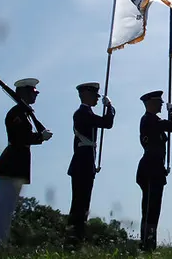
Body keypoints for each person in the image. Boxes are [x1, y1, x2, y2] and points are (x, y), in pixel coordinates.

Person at [0, 78, 53, 247]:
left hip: (18, 164)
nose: (35, 95)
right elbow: (20, 137)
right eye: (32, 92)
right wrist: (40, 137)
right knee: (3, 208)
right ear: (23, 92)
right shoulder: (17, 113)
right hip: (12, 164)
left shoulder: (24, 113)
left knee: (8, 209)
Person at [66, 82, 116, 247]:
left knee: (83, 203)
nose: (97, 98)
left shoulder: (87, 113)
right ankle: (73, 239)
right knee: (79, 204)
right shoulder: (82, 113)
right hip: (82, 163)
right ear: (85, 95)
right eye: (94, 95)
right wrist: (110, 107)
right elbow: (107, 123)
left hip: (86, 163)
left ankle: (77, 238)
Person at [136, 90, 172, 252]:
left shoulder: (153, 120)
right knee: (149, 208)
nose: (161, 105)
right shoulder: (149, 119)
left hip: (155, 168)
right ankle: (146, 243)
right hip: (150, 168)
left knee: (153, 209)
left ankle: (149, 243)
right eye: (159, 103)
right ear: (151, 104)